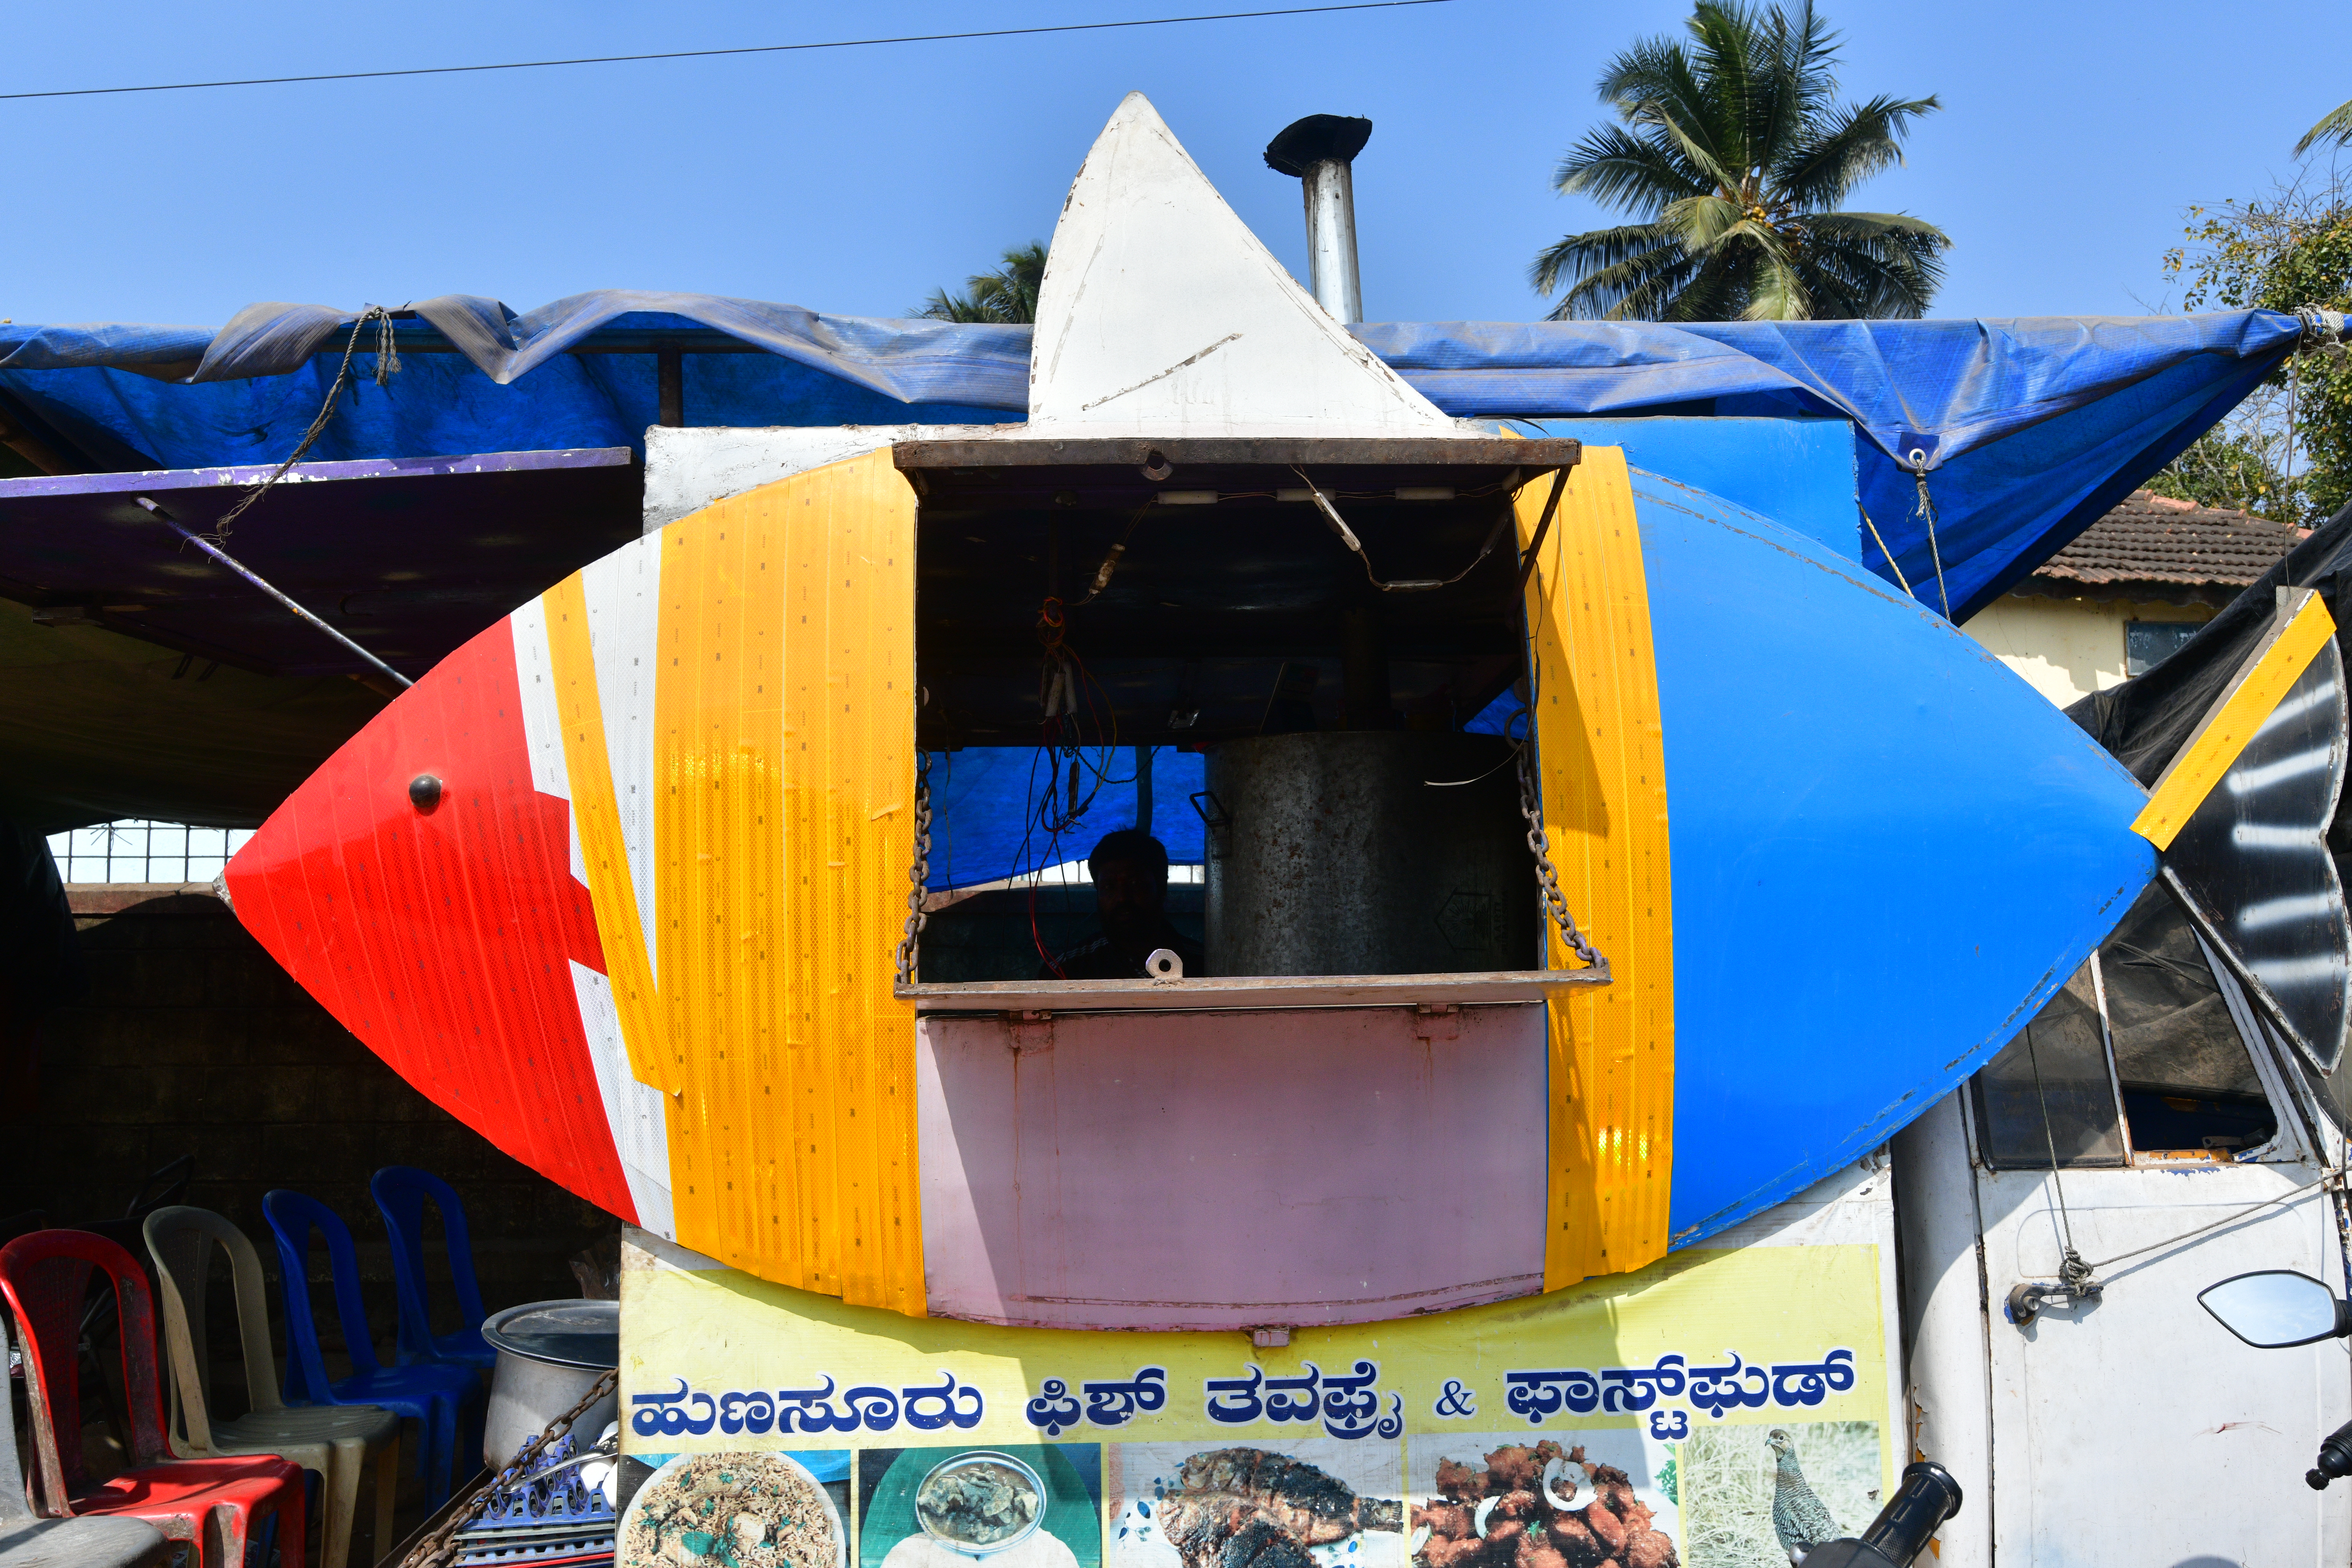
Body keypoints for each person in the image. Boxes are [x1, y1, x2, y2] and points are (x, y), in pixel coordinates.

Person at [1040, 830, 1207, 980]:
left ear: (1162, 888)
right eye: (1109, 887)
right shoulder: (1066, 971)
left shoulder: (1205, 964)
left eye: (1135, 883)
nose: (1122, 898)